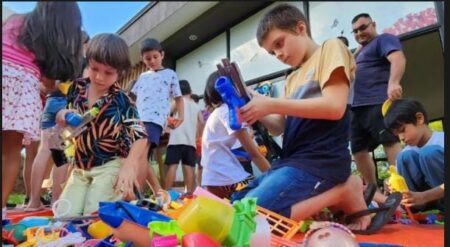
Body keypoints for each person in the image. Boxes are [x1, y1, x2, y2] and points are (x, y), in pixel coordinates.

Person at [232, 3, 381, 232]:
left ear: (301, 28)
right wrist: (255, 110)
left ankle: (343, 191)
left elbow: (334, 107)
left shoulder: (330, 48)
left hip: (321, 161)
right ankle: (335, 196)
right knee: (237, 203)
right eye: (272, 52)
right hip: (293, 161)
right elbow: (278, 127)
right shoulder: (292, 78)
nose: (279, 54)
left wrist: (270, 103)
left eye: (279, 43)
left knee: (251, 218)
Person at [2, 2, 83, 216]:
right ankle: (56, 200)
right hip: (59, 106)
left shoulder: (17, 21)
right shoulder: (58, 43)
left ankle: (33, 200)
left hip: (47, 105)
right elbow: (51, 83)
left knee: (42, 152)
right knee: (58, 153)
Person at [54, 33, 148, 216]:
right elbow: (67, 120)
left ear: (120, 72)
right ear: (88, 60)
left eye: (108, 72)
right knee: (64, 217)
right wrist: (62, 115)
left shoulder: (122, 100)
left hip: (110, 166)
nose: (99, 77)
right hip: (80, 169)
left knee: (96, 215)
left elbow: (141, 136)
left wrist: (129, 166)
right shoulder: (77, 88)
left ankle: (125, 205)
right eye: (94, 68)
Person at [349, 13, 406, 199]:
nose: (359, 32)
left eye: (363, 27)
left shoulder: (384, 40)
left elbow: (398, 58)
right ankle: (375, 193)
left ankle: (402, 191)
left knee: (389, 141)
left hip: (376, 102)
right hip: (355, 108)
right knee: (357, 149)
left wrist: (394, 82)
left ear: (373, 24)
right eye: (355, 31)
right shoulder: (359, 53)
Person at [201, 71, 271, 199]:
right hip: (227, 178)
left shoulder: (218, 112)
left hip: (213, 178)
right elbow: (255, 154)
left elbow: (223, 149)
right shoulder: (229, 112)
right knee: (263, 195)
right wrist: (275, 177)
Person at [130, 38, 184, 194]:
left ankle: (136, 195)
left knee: (142, 153)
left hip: (155, 119)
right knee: (141, 155)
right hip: (138, 119)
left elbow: (178, 97)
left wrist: (181, 117)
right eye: (148, 58)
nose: (152, 61)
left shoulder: (170, 74)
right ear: (143, 59)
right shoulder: (142, 76)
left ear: (162, 55)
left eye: (155, 57)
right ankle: (158, 191)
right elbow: (132, 98)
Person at [384, 98, 444, 212]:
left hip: (440, 200)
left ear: (419, 119)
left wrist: (424, 196)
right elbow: (395, 180)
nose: (401, 138)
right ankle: (413, 209)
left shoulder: (442, 140)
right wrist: (389, 185)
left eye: (402, 130)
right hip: (423, 205)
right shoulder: (406, 154)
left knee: (429, 153)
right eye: (397, 135)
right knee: (404, 157)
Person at [25, 81, 72, 211]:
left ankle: (33, 201)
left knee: (44, 150)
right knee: (60, 151)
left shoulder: (53, 61)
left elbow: (42, 85)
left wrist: (54, 86)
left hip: (50, 102)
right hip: (67, 104)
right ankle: (56, 200)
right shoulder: (81, 62)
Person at [164, 80, 204, 193]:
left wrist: (170, 127)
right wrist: (198, 136)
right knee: (189, 167)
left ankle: (166, 193)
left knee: (173, 166)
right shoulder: (196, 106)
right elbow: (202, 121)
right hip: (190, 142)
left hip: (176, 139)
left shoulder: (177, 101)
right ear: (190, 92)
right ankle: (189, 194)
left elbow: (166, 114)